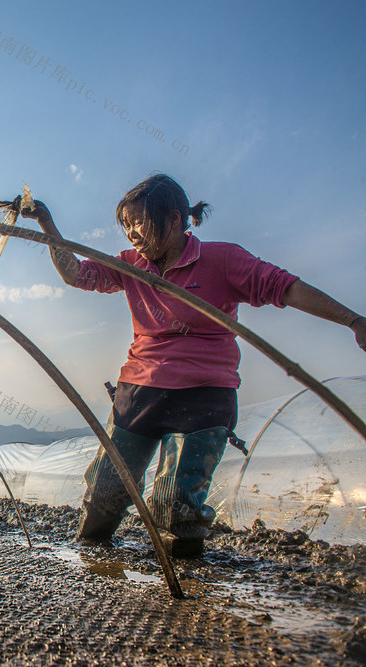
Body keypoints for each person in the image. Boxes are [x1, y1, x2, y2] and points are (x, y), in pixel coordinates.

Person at [23, 174, 366, 557]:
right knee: (105, 492)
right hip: (139, 391)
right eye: (127, 225)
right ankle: (93, 561)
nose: (132, 234)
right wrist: (47, 223)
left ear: (174, 219)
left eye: (139, 222)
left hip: (204, 397)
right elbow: (76, 274)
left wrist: (353, 320)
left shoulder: (223, 260)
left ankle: (187, 587)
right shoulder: (131, 264)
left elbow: (285, 287)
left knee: (177, 506)